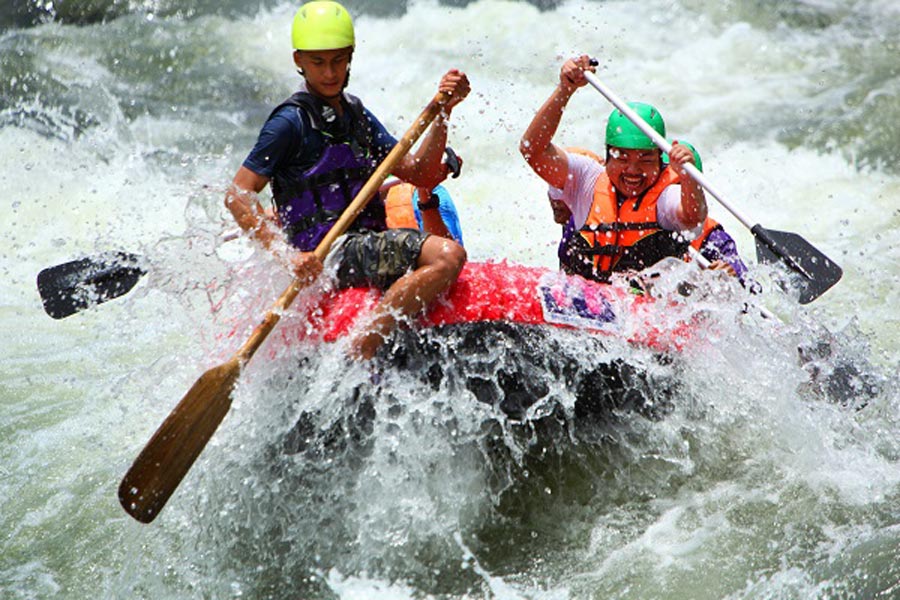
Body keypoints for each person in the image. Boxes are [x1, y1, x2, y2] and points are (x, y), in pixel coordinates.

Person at [224, 1, 470, 360]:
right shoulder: (288, 123)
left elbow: (421, 173)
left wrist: (443, 111)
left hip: (366, 243)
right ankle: (364, 344)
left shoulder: (356, 115)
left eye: (338, 60)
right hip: (330, 251)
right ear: (299, 61)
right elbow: (237, 194)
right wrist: (287, 257)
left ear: (350, 55)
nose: (330, 73)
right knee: (448, 257)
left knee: (441, 257)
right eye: (318, 62)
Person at [521, 55, 707, 283]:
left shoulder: (665, 197)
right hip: (584, 303)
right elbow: (533, 150)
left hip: (642, 307)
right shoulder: (586, 178)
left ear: (661, 161)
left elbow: (692, 217)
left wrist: (689, 179)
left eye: (645, 160)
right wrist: (565, 90)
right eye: (622, 157)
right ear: (607, 156)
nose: (633, 170)